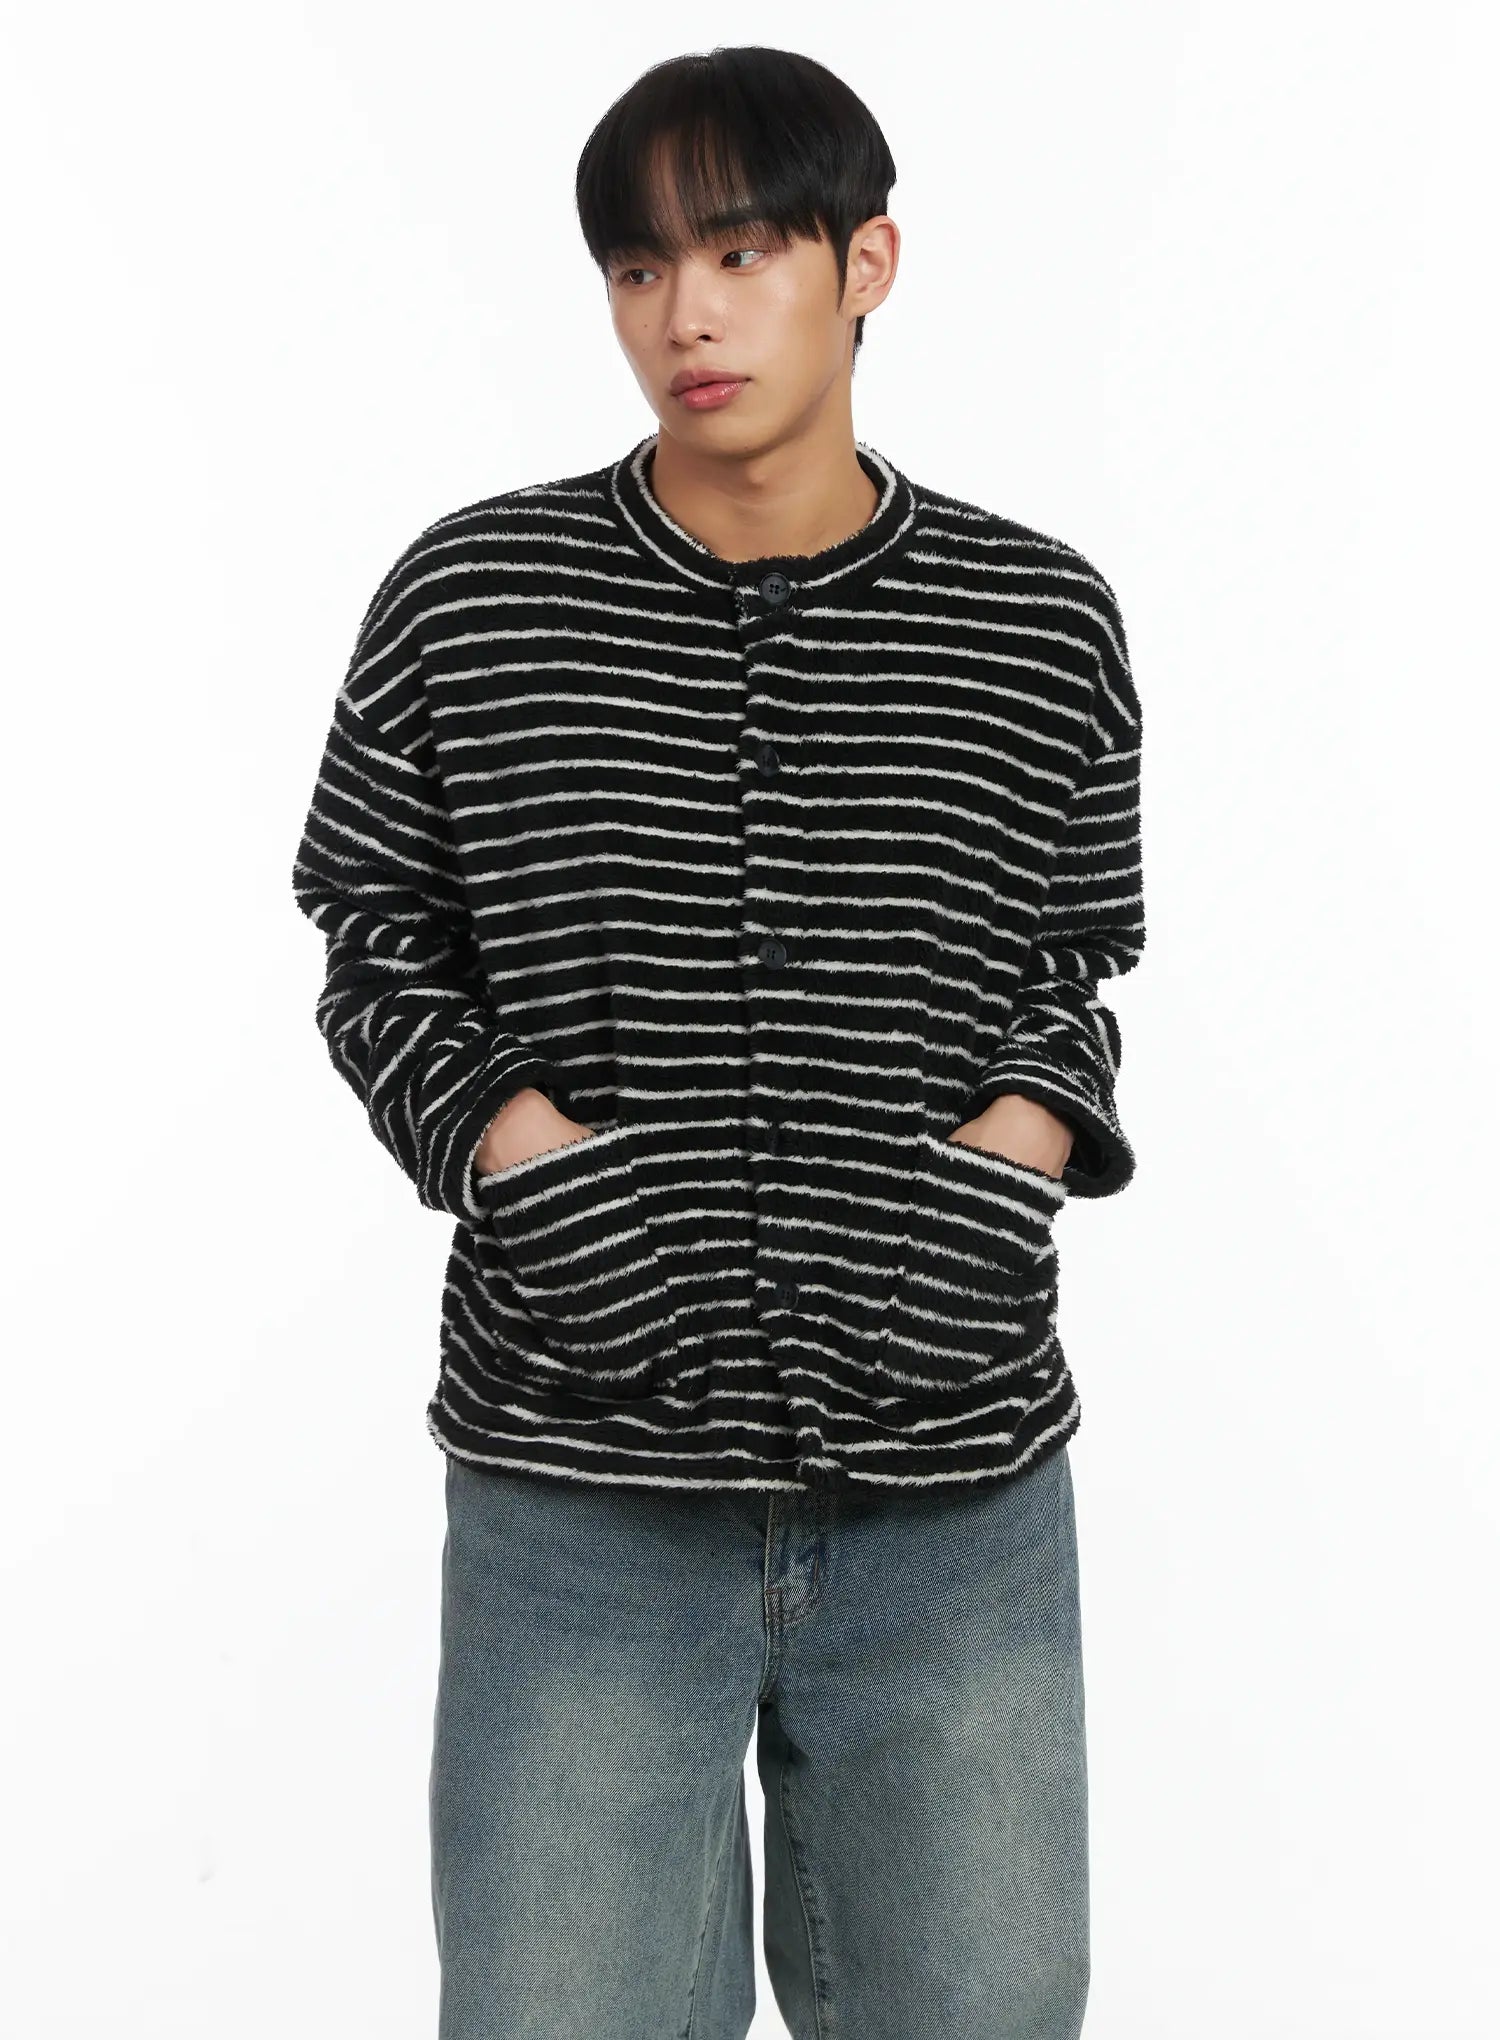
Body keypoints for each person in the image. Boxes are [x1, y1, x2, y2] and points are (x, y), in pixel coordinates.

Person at [291, 43, 1146, 2040]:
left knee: (988, 2012)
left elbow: (1075, 953)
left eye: (743, 252)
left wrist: (1009, 1160)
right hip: (579, 1474)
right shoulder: (474, 597)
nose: (685, 312)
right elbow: (373, 930)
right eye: (639, 266)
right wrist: (521, 1153)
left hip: (952, 1480)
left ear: (868, 264)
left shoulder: (1040, 621)